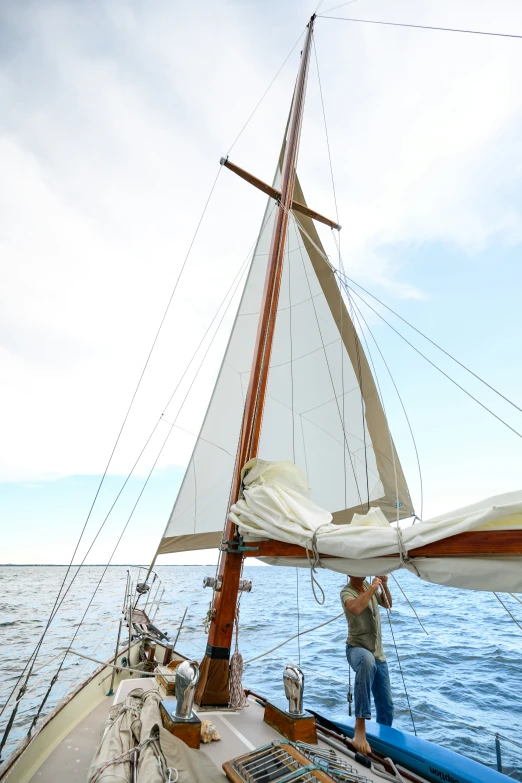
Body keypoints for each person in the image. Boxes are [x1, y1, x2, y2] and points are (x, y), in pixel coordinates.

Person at [340, 575, 394, 755]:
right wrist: (372, 589)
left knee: (386, 707)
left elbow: (387, 604)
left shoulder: (366, 585)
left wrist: (384, 585)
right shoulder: (346, 592)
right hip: (356, 649)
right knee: (367, 661)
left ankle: (382, 747)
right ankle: (359, 729)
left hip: (378, 653)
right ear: (349, 572)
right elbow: (355, 608)